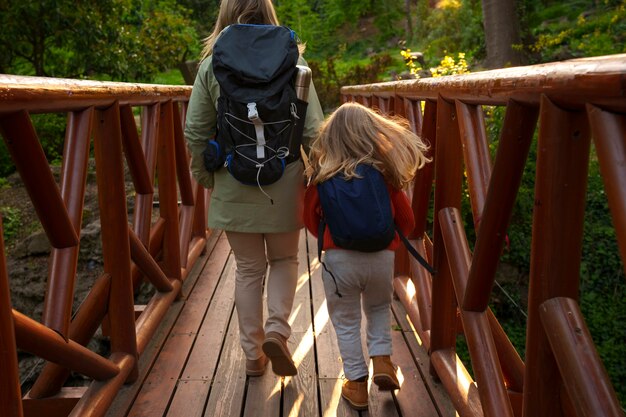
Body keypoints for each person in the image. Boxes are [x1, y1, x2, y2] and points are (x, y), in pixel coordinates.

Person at [184, 0, 324, 377]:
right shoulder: (296, 66)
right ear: (270, 13)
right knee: (284, 261)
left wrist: (207, 177)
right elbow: (315, 133)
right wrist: (320, 178)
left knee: (248, 269)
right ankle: (278, 329)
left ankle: (252, 356)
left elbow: (195, 131)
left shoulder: (212, 66)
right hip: (285, 179)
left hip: (232, 178)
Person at [303, 102, 430, 410]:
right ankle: (383, 362)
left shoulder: (323, 177)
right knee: (377, 309)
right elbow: (408, 222)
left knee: (346, 321)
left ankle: (357, 384)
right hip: (380, 259)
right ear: (374, 135)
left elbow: (309, 221)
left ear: (330, 137)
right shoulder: (383, 175)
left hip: (339, 260)